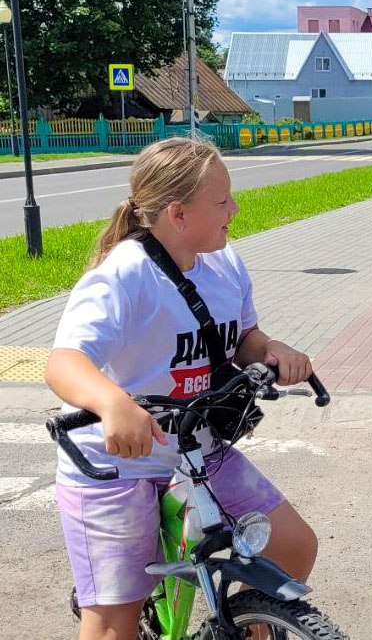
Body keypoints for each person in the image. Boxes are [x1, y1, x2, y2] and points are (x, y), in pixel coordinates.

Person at [45, 137, 320, 640]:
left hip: (196, 450)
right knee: (113, 621)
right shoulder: (124, 275)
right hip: (115, 463)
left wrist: (272, 350)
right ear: (177, 213)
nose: (234, 209)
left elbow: (242, 340)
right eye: (222, 201)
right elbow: (65, 362)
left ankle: (245, 624)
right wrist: (112, 403)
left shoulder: (223, 262)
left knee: (293, 547)